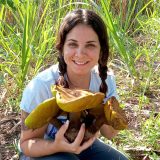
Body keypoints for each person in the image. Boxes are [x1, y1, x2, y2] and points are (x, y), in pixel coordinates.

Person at [19, 9, 128, 160]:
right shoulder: (41, 86)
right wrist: (56, 146)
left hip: (84, 145)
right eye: (72, 44)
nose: (80, 53)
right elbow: (26, 144)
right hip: (42, 149)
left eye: (90, 45)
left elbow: (109, 133)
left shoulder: (105, 80)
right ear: (61, 47)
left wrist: (109, 115)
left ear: (101, 50)